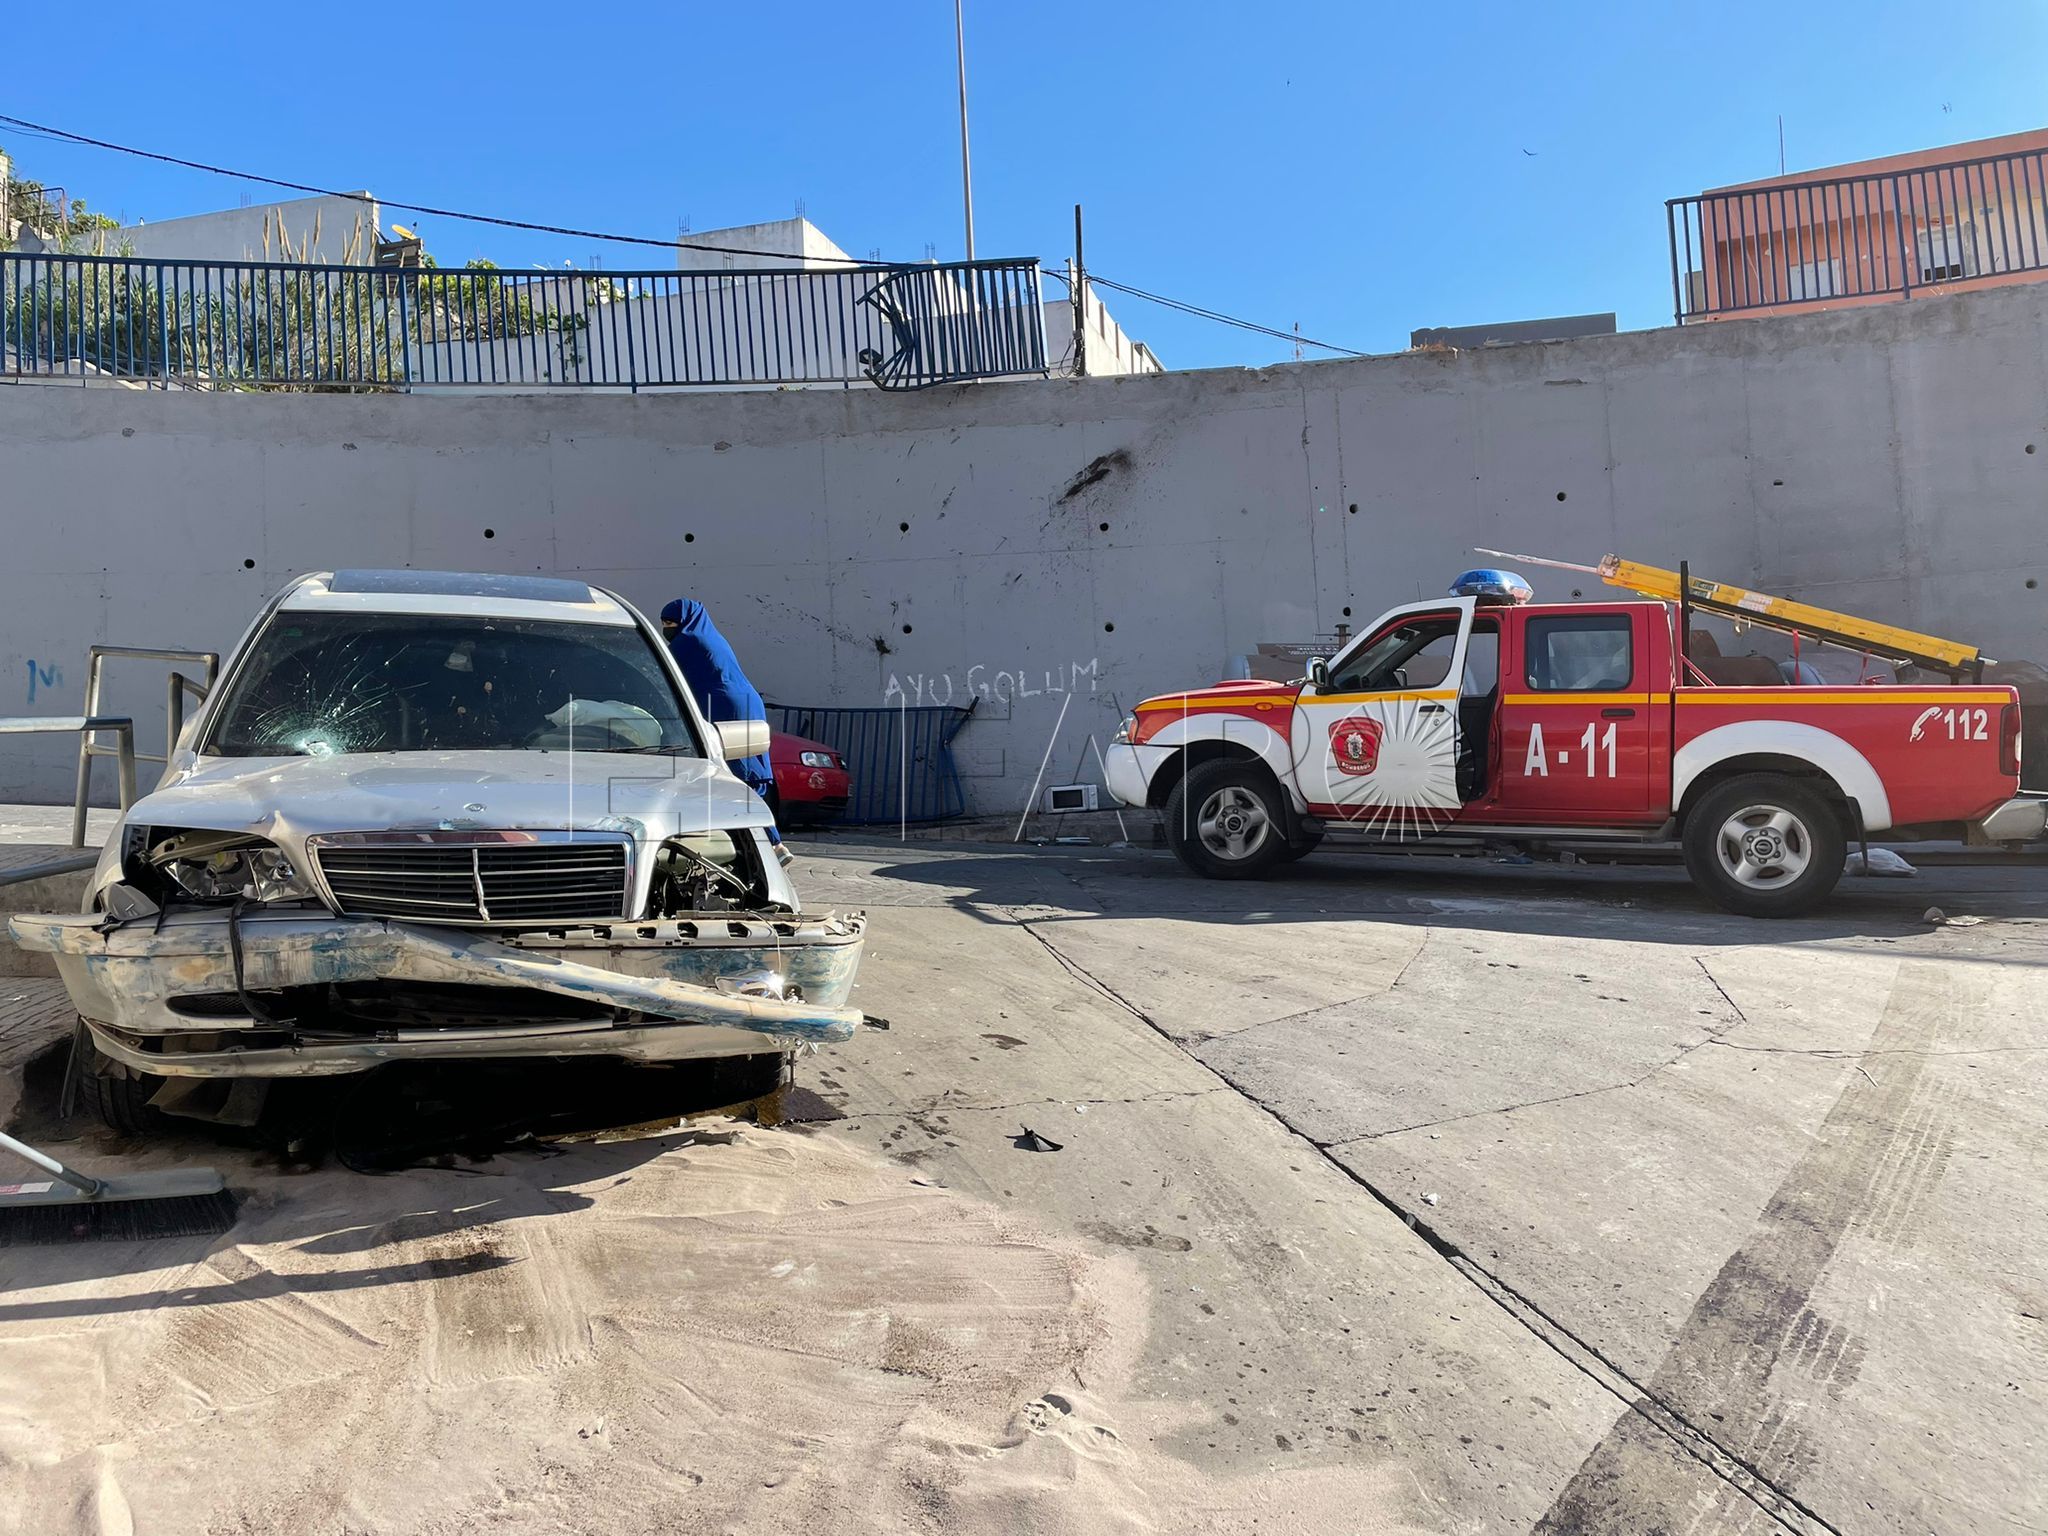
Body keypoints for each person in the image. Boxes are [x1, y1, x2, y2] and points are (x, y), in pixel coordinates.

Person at [659, 599, 788, 861]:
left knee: (733, 779)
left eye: (671, 623)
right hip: (746, 705)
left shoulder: (686, 643)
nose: (668, 628)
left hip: (725, 708)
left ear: (685, 622)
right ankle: (769, 845)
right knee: (748, 778)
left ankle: (769, 848)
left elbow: (662, 675)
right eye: (664, 624)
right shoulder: (713, 638)